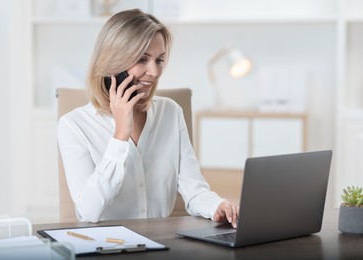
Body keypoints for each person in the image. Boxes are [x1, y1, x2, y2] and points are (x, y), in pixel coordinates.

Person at [57, 9, 239, 227]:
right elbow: (89, 211)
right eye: (142, 59)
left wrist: (216, 206)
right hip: (110, 245)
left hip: (163, 243)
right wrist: (120, 137)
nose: (154, 72)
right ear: (112, 63)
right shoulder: (74, 125)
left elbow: (194, 190)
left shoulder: (170, 112)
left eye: (159, 60)